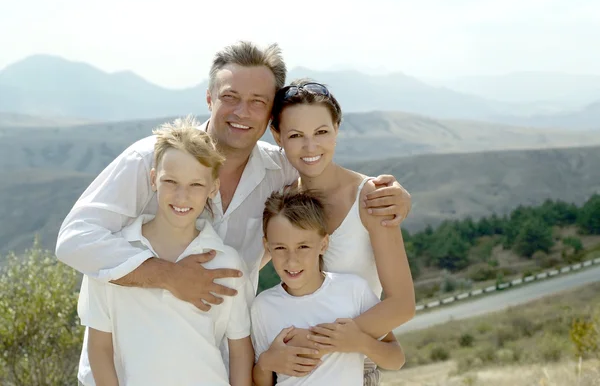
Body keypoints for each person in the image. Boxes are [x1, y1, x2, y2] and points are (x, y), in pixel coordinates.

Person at [55, 41, 412, 380]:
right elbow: (74, 240)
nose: (242, 112)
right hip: (129, 370)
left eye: (258, 101)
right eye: (230, 97)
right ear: (209, 97)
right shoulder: (152, 159)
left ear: (271, 115)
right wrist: (167, 274)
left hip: (222, 368)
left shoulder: (280, 171)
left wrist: (391, 194)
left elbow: (318, 161)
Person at [258, 79, 416, 384]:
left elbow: (402, 305)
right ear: (277, 135)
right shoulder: (282, 200)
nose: (310, 147)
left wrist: (320, 345)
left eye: (321, 132)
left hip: (354, 365)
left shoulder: (370, 197)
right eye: (295, 135)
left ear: (337, 129)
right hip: (292, 370)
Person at [77, 117, 253, 386]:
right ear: (153, 180)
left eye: (195, 185)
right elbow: (99, 348)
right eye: (171, 181)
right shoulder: (116, 254)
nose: (182, 196)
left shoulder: (226, 262)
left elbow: (240, 351)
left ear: (213, 187)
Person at [251, 190, 405, 386]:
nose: (292, 260)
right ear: (267, 246)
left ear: (323, 244)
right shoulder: (262, 307)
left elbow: (396, 358)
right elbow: (260, 381)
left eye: (303, 247)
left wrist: (359, 342)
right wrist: (266, 363)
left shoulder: (352, 290)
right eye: (280, 248)